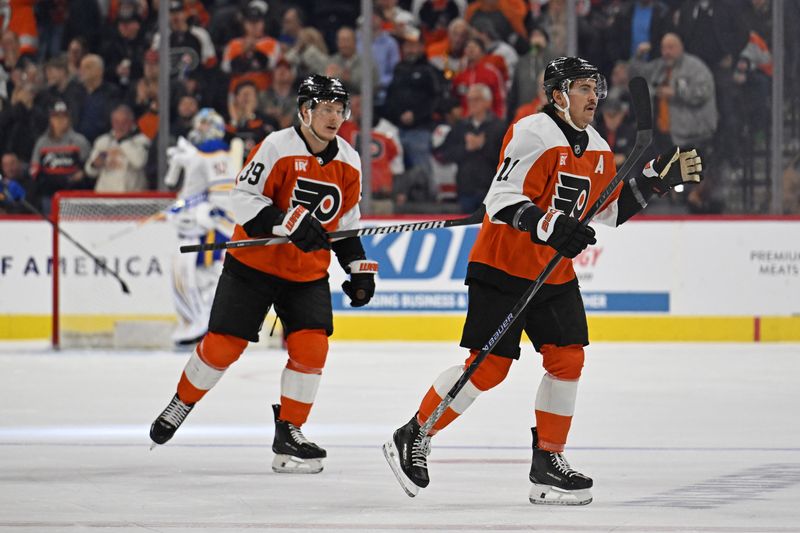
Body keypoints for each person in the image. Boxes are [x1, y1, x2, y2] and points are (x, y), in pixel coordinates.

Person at [383, 57, 704, 505]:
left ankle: (547, 462)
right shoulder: (531, 131)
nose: (594, 96)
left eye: (596, 87)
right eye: (582, 88)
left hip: (553, 272)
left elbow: (608, 211)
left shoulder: (596, 145)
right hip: (504, 265)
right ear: (557, 95)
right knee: (488, 368)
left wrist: (653, 181)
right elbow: (501, 199)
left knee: (568, 359)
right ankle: (414, 432)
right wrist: (551, 226)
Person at [150, 75, 378, 475]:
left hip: (306, 272)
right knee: (223, 347)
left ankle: (289, 432)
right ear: (305, 110)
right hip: (254, 267)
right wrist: (287, 221)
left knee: (312, 348)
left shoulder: (350, 161)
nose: (333, 116)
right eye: (324, 108)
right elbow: (242, 199)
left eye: (339, 109)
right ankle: (182, 401)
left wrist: (358, 269)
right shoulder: (276, 146)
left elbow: (344, 224)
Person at [162, 108, 235, 346]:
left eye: (204, 124)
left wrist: (205, 218)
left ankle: (205, 323)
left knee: (206, 274)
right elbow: (180, 188)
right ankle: (194, 322)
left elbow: (223, 199)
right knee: (184, 274)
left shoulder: (218, 155)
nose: (198, 129)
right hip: (192, 227)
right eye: (198, 124)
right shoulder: (197, 154)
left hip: (209, 228)